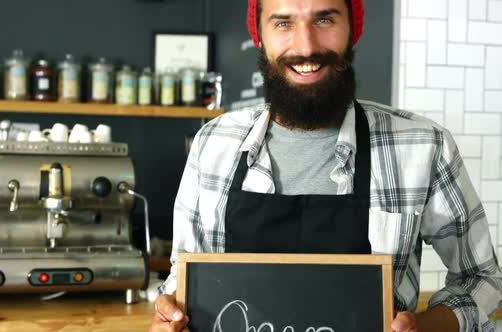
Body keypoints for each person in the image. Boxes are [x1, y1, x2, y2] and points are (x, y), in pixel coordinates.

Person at [149, 0, 502, 331]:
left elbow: (482, 278)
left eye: (324, 19)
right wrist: (170, 314)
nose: (306, 46)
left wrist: (424, 327)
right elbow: (183, 276)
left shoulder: (423, 145)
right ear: (260, 37)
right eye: (283, 22)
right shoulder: (214, 143)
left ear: (352, 30)